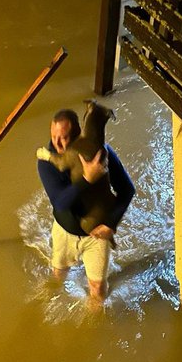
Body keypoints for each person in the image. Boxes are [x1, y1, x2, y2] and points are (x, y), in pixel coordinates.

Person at [37, 108, 135, 301]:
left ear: (77, 134)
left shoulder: (101, 154)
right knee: (58, 275)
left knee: (98, 290)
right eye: (54, 136)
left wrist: (111, 224)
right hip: (65, 232)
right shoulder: (46, 162)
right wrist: (87, 179)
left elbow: (127, 190)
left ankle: (95, 325)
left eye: (64, 138)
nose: (57, 143)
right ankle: (48, 303)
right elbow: (60, 202)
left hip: (96, 235)